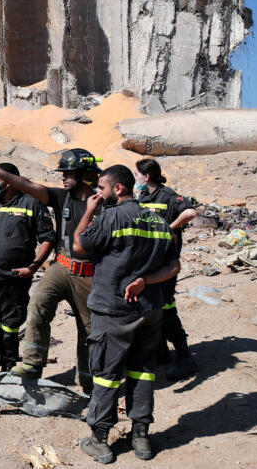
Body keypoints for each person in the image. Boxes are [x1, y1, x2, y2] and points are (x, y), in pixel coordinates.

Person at [73, 164, 180, 464]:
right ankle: (141, 438)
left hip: (114, 310)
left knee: (106, 376)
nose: (98, 194)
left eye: (102, 189)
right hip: (149, 310)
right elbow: (174, 267)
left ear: (118, 189)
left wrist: (88, 211)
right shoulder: (158, 222)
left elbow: (78, 245)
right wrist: (146, 281)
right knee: (143, 371)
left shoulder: (111, 216)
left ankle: (100, 440)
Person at [0, 148, 102, 393]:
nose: (63, 177)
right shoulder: (62, 197)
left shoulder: (102, 204)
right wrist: (3, 174)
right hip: (61, 266)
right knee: (38, 304)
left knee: (88, 329)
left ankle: (88, 381)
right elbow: (29, 185)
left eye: (68, 173)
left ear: (83, 174)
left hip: (90, 274)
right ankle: (32, 364)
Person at [0, 163, 55, 373]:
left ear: (11, 181)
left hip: (14, 278)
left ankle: (7, 368)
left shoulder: (31, 204)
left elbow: (48, 239)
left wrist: (32, 268)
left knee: (9, 326)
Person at [134, 158, 198, 380]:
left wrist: (169, 229)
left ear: (147, 176)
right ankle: (161, 353)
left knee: (167, 309)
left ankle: (185, 357)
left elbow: (190, 213)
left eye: (137, 175)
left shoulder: (168, 196)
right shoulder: (142, 198)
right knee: (151, 309)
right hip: (147, 262)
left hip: (165, 264)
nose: (136, 179)